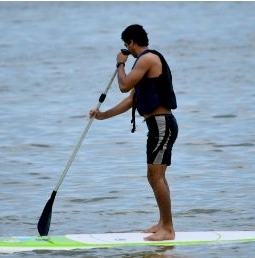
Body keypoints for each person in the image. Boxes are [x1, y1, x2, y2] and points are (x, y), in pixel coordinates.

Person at [89, 24, 178, 241]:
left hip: (161, 124)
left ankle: (168, 229)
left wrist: (120, 63)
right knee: (157, 176)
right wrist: (103, 115)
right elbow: (131, 99)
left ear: (131, 43)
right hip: (158, 125)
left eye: (125, 44)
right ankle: (163, 223)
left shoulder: (147, 59)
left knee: (155, 176)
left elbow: (123, 85)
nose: (125, 48)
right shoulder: (145, 64)